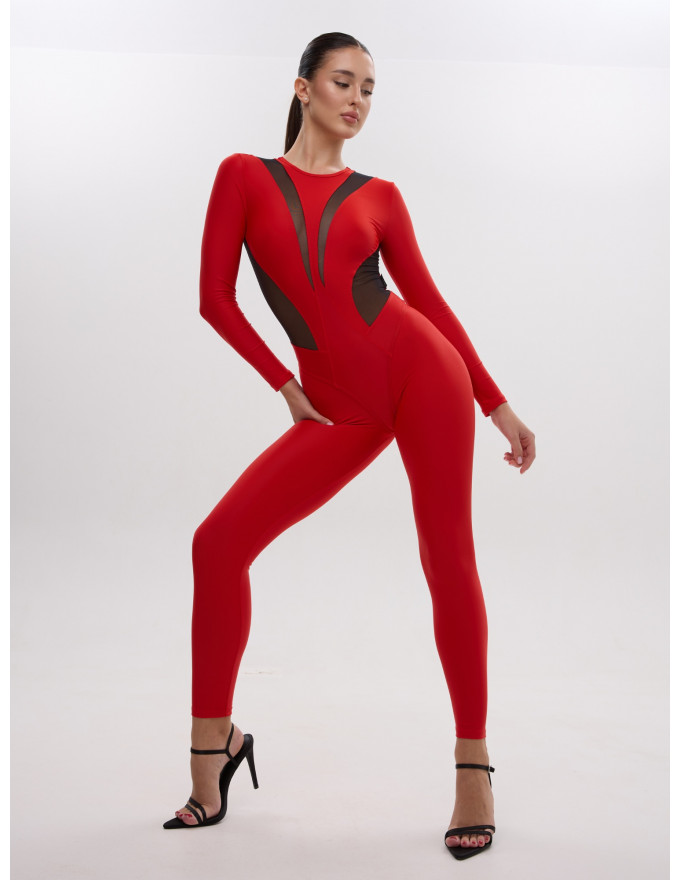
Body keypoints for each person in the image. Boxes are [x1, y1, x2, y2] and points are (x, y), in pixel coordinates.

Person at [162, 32, 536, 860]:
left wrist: (495, 403)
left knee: (447, 558)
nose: (358, 100)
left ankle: (473, 766)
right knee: (216, 546)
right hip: (336, 409)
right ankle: (212, 748)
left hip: (425, 376)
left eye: (370, 88)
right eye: (343, 81)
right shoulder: (243, 176)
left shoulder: (382, 196)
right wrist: (285, 387)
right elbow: (214, 299)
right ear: (303, 88)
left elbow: (428, 304)